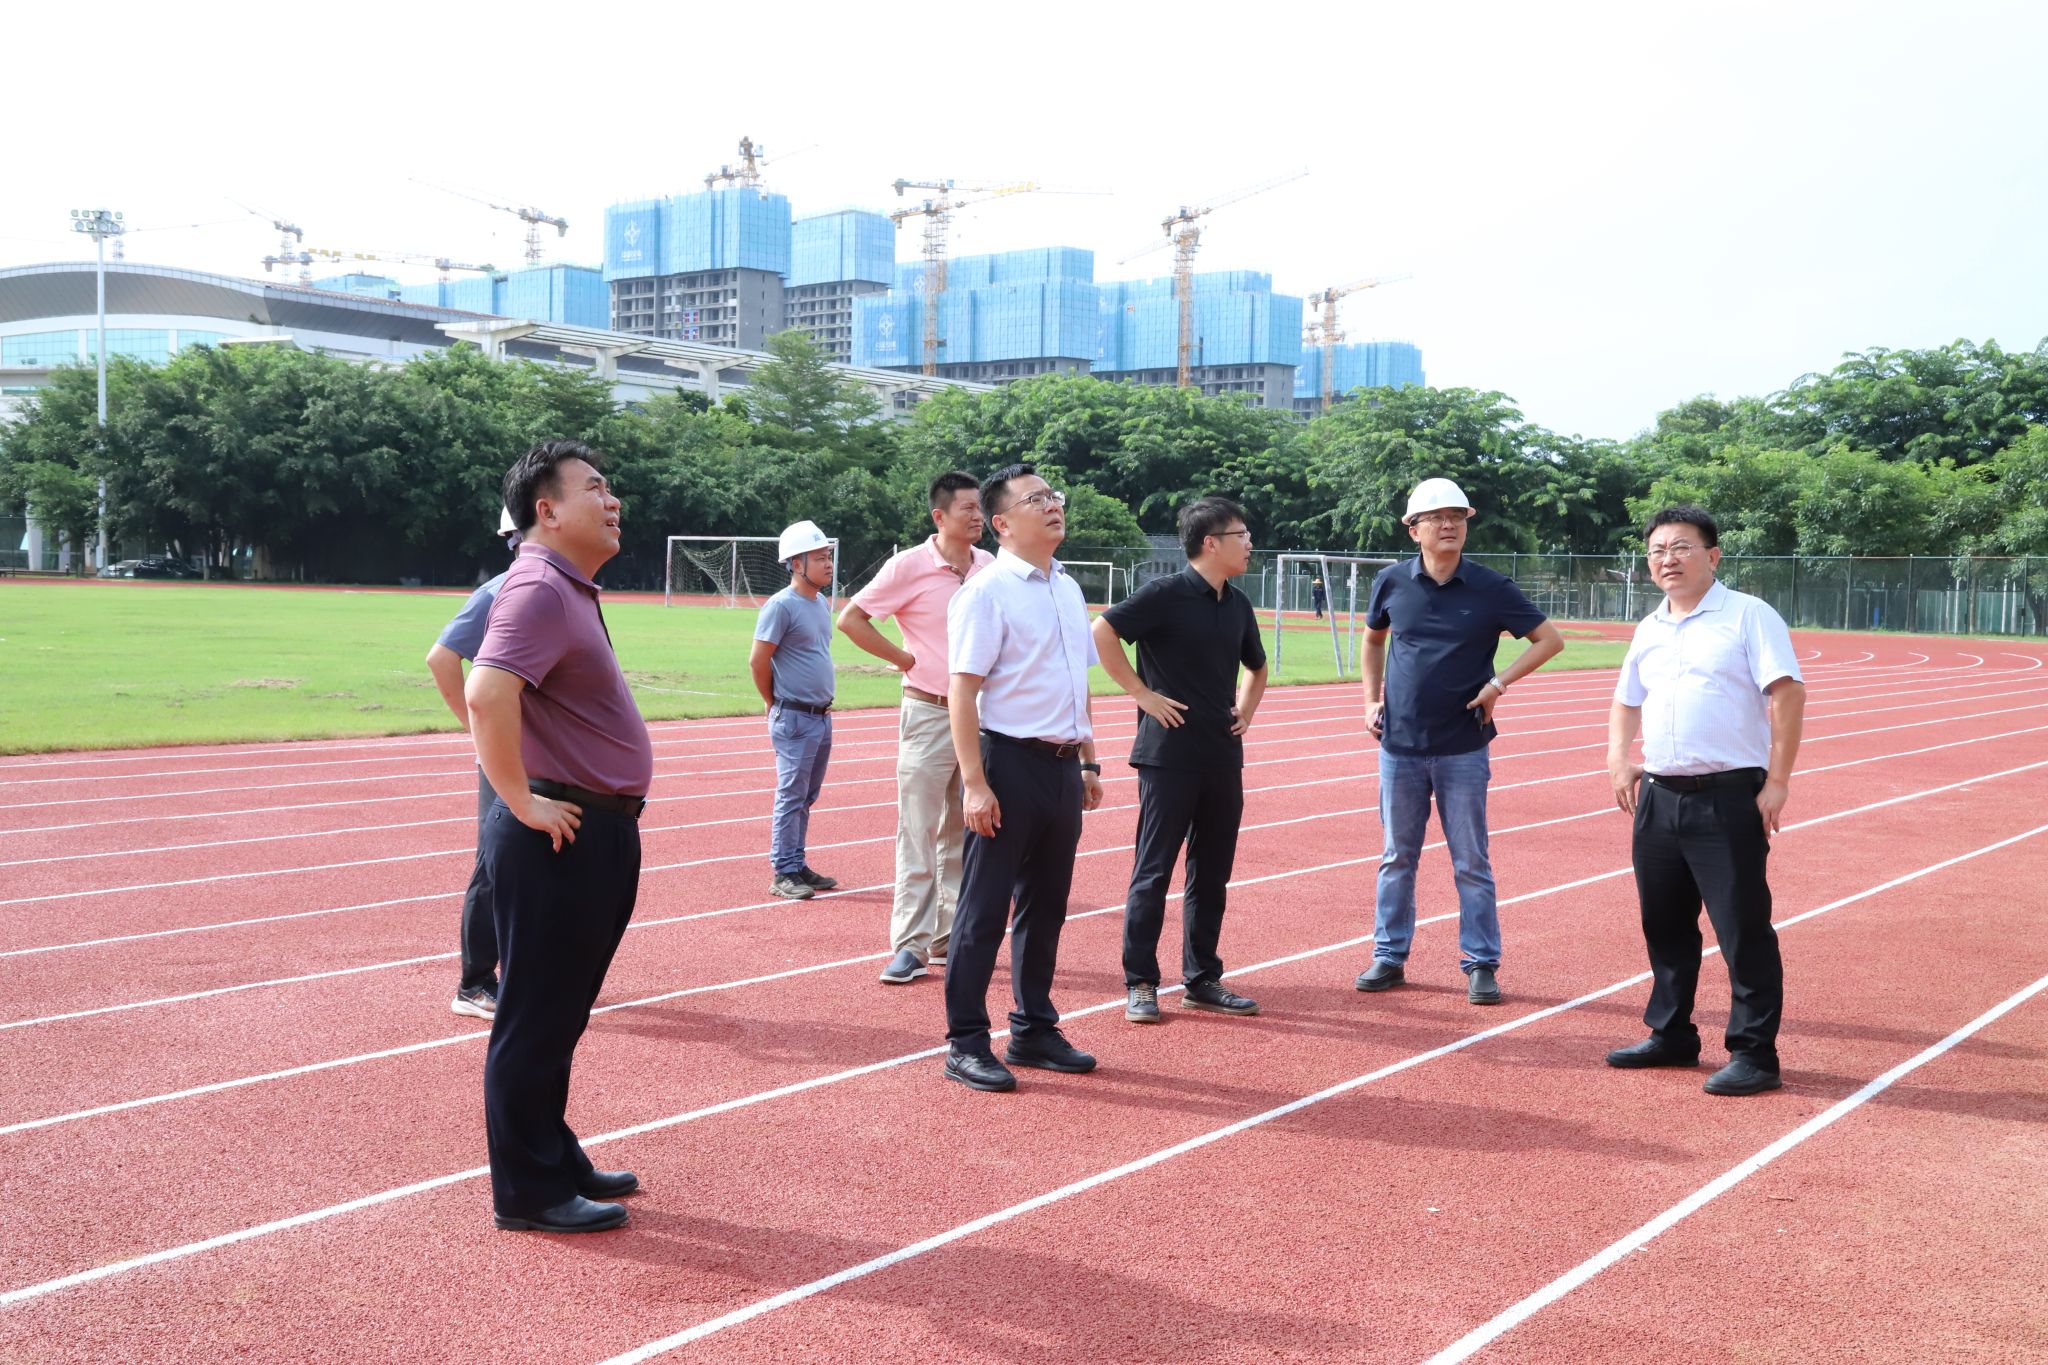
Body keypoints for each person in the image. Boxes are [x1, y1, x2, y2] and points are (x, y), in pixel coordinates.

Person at [467, 438, 651, 1234]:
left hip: (593, 829)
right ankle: (529, 1190)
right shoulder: (540, 585)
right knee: (536, 1018)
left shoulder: (568, 586)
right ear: (547, 510)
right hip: (557, 832)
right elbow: (484, 691)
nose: (612, 501)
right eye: (595, 488)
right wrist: (520, 799)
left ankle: (554, 1151)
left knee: (561, 1014)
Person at [1606, 505, 1805, 1097]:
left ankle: (1754, 1053)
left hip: (1727, 797)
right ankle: (1671, 1034)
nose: (1667, 559)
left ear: (1712, 556)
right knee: (1664, 924)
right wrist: (1619, 757)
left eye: (1681, 547)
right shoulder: (1650, 627)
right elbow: (1626, 699)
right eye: (1656, 550)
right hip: (1659, 797)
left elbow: (1788, 694)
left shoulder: (1748, 615)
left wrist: (1778, 780)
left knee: (1741, 928)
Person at [1355, 477, 1565, 1005]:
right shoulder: (1390, 582)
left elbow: (1549, 640)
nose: (1448, 524)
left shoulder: (1491, 587)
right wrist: (1370, 699)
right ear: (1414, 529)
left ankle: (1481, 962)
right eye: (1436, 517)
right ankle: (1389, 956)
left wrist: (1498, 684)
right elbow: (1373, 639)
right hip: (1399, 745)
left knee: (1471, 860)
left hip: (1464, 747)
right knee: (1396, 857)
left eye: (1457, 516)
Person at [941, 463, 1104, 1092]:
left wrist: (1087, 759)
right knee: (984, 908)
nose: (1053, 505)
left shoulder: (1067, 587)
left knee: (1046, 907)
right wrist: (975, 783)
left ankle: (1033, 1027)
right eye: (1036, 499)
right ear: (1002, 523)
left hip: (1061, 768)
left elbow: (1076, 682)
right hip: (1007, 763)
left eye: (1054, 495)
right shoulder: (986, 593)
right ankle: (966, 1041)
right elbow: (962, 692)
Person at [1092, 496, 1268, 1024]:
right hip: (1168, 756)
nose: (1249, 543)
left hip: (1221, 755)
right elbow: (1103, 630)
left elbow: (1257, 667)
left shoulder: (1237, 604)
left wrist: (1245, 711)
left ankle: (1202, 979)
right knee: (1154, 870)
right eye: (1241, 535)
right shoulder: (1164, 594)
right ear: (1210, 542)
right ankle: (1141, 982)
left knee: (1212, 872)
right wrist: (1142, 694)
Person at [837, 472, 993, 983]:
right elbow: (851, 619)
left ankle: (947, 935)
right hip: (928, 710)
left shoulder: (990, 567)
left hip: (980, 716)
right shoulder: (908, 565)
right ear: (939, 516)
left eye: (980, 508)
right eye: (968, 508)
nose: (978, 516)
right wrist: (905, 658)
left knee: (964, 828)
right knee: (919, 829)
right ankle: (910, 944)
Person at [424, 508, 521, 1020]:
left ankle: (527, 970)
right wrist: (479, 731)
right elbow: (441, 658)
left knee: (537, 861)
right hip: (510, 749)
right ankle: (476, 982)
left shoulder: (565, 590)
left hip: (550, 752)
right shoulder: (498, 592)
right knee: (496, 862)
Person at [750, 520, 839, 902]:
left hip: (820, 716)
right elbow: (758, 661)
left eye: (828, 556)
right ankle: (783, 871)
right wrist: (773, 702)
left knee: (806, 796)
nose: (828, 563)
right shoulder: (781, 606)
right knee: (791, 796)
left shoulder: (819, 603)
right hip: (795, 717)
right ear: (796, 563)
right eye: (819, 558)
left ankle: (796, 863)